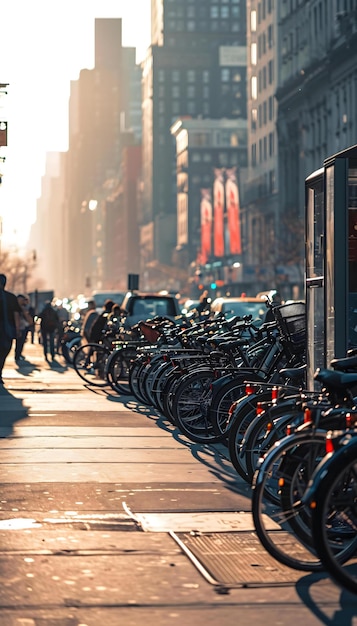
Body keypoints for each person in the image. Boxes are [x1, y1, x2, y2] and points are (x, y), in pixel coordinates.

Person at [0, 273, 21, 385]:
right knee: (4, 352)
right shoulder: (11, 297)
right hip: (7, 329)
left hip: (6, 328)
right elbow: (16, 314)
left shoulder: (10, 297)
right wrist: (17, 330)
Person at [14, 294, 33, 363]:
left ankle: (18, 354)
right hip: (19, 327)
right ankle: (17, 355)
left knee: (21, 342)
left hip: (24, 327)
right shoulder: (15, 308)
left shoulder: (25, 308)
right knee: (19, 342)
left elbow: (30, 320)